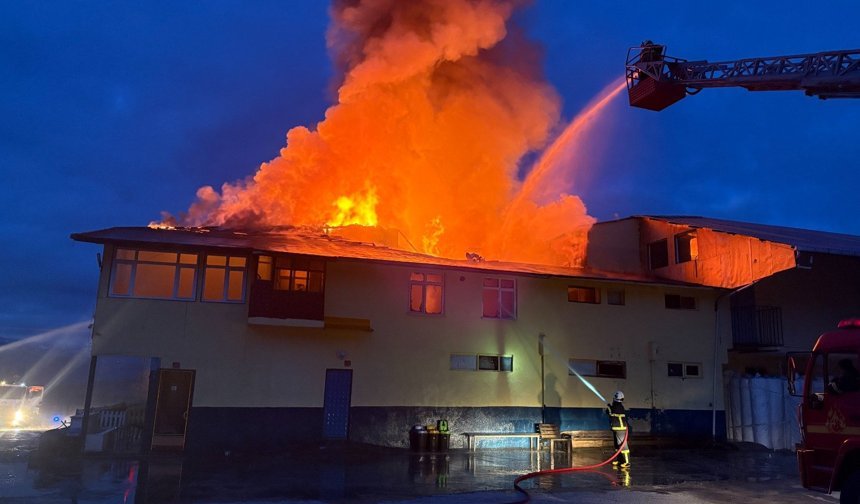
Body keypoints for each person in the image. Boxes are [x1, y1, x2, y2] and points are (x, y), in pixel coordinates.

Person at [607, 390, 630, 468]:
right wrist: (610, 407)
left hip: (620, 429)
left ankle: (627, 462)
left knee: (623, 446)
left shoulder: (618, 406)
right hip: (616, 428)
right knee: (617, 446)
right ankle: (620, 460)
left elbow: (613, 413)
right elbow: (613, 412)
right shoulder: (617, 406)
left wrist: (609, 410)